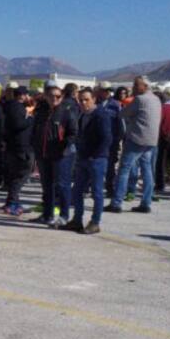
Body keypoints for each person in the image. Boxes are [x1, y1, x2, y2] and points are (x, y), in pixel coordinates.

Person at [109, 77, 162, 214]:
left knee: (124, 170)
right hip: (151, 140)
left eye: (136, 85)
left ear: (145, 86)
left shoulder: (139, 99)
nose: (133, 87)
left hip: (137, 138)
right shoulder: (156, 99)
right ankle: (146, 202)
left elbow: (122, 114)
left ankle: (116, 202)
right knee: (147, 170)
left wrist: (129, 115)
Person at [31, 82, 78, 227]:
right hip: (43, 154)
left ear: (62, 97)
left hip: (61, 155)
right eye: (51, 96)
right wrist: (34, 147)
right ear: (46, 96)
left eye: (58, 96)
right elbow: (35, 131)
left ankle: (64, 215)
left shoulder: (66, 112)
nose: (54, 99)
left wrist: (64, 147)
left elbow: (73, 133)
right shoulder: (41, 112)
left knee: (63, 185)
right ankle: (47, 214)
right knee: (47, 186)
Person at [67, 88, 112, 235]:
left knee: (97, 192)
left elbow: (107, 138)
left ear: (94, 99)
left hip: (96, 159)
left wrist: (95, 155)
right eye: (81, 100)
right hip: (83, 158)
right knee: (77, 191)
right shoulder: (83, 115)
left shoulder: (101, 115)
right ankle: (77, 220)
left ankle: (95, 222)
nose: (83, 103)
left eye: (86, 99)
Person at [1, 87, 34, 215]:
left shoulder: (11, 106)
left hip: (15, 145)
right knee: (21, 175)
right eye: (27, 95)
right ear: (22, 95)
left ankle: (13, 202)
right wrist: (30, 119)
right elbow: (18, 124)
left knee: (16, 175)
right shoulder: (16, 107)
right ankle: (11, 203)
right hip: (20, 146)